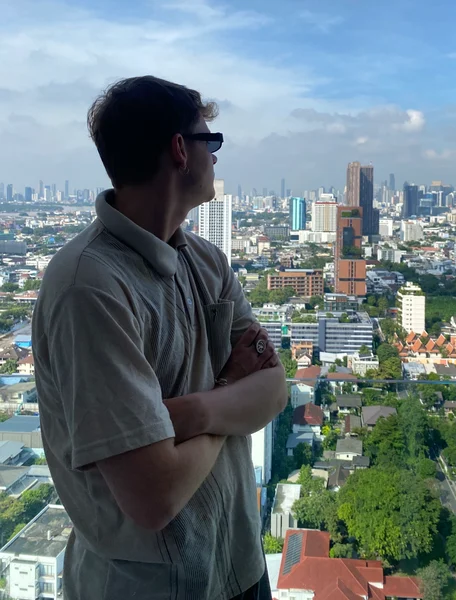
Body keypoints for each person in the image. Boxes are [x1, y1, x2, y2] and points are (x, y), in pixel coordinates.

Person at [32, 76, 288, 600]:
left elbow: (275, 389)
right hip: (150, 588)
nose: (215, 157)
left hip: (241, 566)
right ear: (180, 150)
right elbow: (154, 496)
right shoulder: (90, 287)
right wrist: (227, 401)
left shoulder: (206, 261)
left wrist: (190, 415)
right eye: (210, 142)